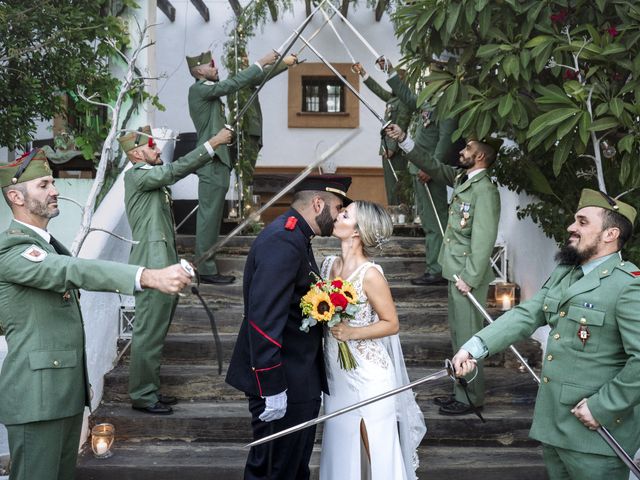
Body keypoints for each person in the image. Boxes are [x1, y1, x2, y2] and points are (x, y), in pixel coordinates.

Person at [0, 149, 192, 480]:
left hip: (61, 394)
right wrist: (147, 276)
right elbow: (70, 270)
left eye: (52, 183)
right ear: (16, 196)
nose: (54, 190)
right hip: (37, 399)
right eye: (44, 184)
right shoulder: (14, 249)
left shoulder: (47, 244)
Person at [451, 189, 640, 480]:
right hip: (555, 425)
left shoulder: (628, 285)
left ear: (610, 234)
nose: (571, 228)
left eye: (582, 222)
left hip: (596, 432)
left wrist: (602, 407)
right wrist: (475, 347)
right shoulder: (567, 271)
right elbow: (528, 314)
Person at [225, 175, 352, 480]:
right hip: (283, 378)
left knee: (292, 468)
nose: (336, 217)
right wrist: (272, 386)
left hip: (297, 377)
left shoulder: (296, 237)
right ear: (318, 203)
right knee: (273, 470)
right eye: (337, 208)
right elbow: (264, 317)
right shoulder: (284, 239)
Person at [387, 124, 501, 415]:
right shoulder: (464, 178)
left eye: (468, 149)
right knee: (459, 336)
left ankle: (470, 398)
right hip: (457, 272)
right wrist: (405, 140)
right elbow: (433, 166)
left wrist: (471, 278)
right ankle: (460, 391)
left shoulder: (485, 191)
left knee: (469, 337)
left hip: (467, 276)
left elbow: (483, 240)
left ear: (480, 158)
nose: (461, 151)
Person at [119, 124, 233, 414]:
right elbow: (174, 171)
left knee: (156, 332)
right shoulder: (138, 175)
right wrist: (213, 143)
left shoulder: (150, 178)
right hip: (152, 263)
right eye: (152, 146)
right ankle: (143, 396)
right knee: (148, 332)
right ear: (136, 153)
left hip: (162, 259)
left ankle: (149, 389)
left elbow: (161, 229)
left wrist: (178, 260)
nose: (158, 150)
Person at [320, 200, 426, 480]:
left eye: (344, 214)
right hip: (336, 375)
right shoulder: (328, 264)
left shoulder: (371, 275)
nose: (336, 216)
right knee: (341, 442)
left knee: (374, 448)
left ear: (357, 231)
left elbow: (392, 324)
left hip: (368, 375)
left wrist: (352, 332)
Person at [187, 49, 292, 284]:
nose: (216, 69)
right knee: (208, 219)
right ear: (199, 71)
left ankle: (206, 266)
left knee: (213, 218)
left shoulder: (209, 92)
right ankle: (205, 269)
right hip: (211, 162)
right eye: (211, 66)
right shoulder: (199, 89)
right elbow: (235, 83)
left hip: (219, 161)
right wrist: (261, 61)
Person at [382, 57, 463, 286]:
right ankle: (434, 266)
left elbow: (446, 139)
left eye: (434, 72)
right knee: (428, 219)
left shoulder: (447, 103)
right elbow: (409, 98)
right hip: (420, 168)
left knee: (435, 220)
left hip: (429, 170)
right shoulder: (431, 99)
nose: (429, 77)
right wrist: (389, 71)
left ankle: (437, 269)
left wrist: (433, 167)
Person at [352, 63, 413, 205]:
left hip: (396, 150)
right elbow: (378, 90)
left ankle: (399, 212)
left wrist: (391, 147)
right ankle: (394, 211)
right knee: (390, 185)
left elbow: (401, 124)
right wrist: (363, 73)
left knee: (397, 185)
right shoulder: (394, 99)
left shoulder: (404, 101)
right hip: (387, 148)